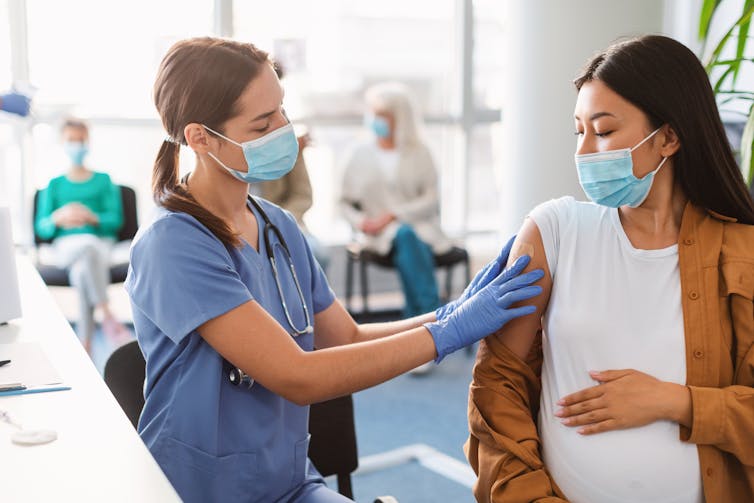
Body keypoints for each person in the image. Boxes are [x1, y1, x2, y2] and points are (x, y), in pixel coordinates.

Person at [124, 37, 544, 503]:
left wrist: (448, 314)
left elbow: (345, 339)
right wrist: (446, 336)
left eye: (282, 111)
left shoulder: (278, 226)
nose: (284, 130)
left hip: (287, 483)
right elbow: (297, 376)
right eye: (263, 123)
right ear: (199, 138)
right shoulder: (174, 243)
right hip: (200, 492)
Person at [465, 35, 754, 503]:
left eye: (602, 131)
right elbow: (497, 388)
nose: (583, 152)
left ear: (669, 137)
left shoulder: (742, 254)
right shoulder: (553, 230)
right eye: (578, 131)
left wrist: (674, 400)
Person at [340, 82, 451, 321]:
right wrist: (362, 222)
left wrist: (395, 215)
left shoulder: (421, 152)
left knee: (406, 236)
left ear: (400, 118)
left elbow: (431, 199)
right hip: (376, 235)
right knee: (405, 238)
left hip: (419, 229)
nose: (376, 120)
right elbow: (343, 202)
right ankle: (430, 316)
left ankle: (420, 318)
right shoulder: (358, 154)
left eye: (383, 116)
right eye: (374, 114)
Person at [35, 119, 130, 352]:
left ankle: (85, 343)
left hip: (99, 244)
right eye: (71, 140)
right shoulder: (54, 185)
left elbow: (116, 220)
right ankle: (106, 312)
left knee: (82, 271)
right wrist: (59, 216)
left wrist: (91, 217)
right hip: (66, 245)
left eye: (80, 140)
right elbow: (42, 227)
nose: (76, 146)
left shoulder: (103, 180)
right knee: (85, 251)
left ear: (88, 142)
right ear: (62, 143)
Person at [249, 62, 331, 272]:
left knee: (315, 254)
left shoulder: (286, 142)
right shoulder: (228, 144)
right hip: (245, 228)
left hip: (282, 221)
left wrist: (278, 223)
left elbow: (302, 196)